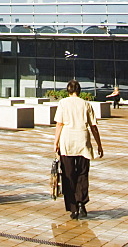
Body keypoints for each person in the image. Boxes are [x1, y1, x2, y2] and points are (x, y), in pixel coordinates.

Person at [53, 80, 103, 220]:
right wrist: (99, 144)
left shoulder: (63, 103)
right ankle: (82, 202)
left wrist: (55, 142)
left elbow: (59, 124)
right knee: (82, 173)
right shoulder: (86, 104)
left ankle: (73, 208)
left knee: (68, 175)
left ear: (68, 90)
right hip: (83, 140)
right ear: (79, 91)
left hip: (67, 141)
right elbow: (93, 126)